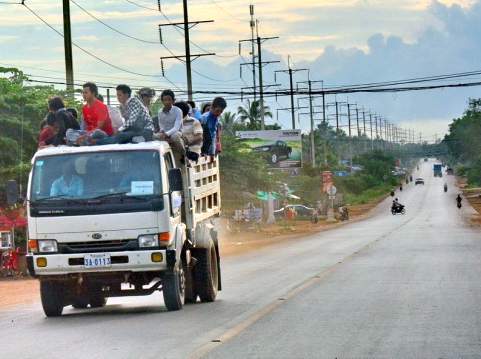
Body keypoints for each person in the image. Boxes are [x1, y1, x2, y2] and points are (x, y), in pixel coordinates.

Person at [154, 90, 185, 159]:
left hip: (176, 132)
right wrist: (162, 131)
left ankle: (184, 154)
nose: (167, 102)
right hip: (165, 132)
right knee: (153, 136)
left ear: (173, 101)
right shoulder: (160, 112)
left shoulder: (178, 111)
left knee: (174, 137)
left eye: (169, 100)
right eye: (165, 100)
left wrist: (167, 134)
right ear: (162, 101)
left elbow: (176, 127)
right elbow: (161, 124)